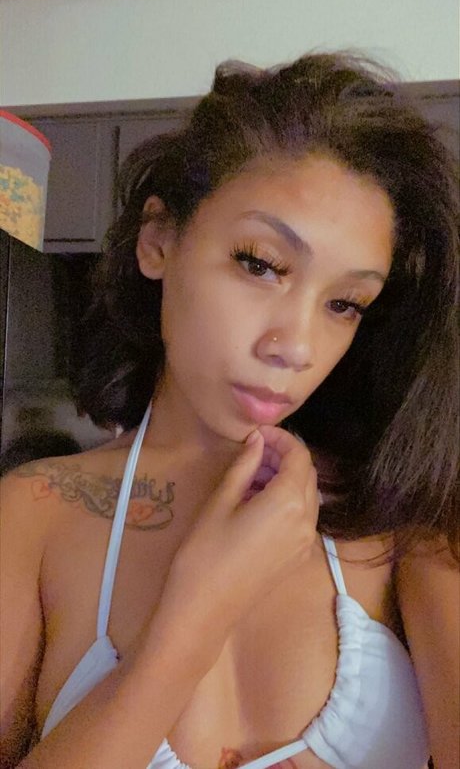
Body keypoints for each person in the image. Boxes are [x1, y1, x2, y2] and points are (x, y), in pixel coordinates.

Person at [0, 51, 458, 769]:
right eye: (260, 264)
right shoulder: (34, 514)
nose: (296, 346)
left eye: (344, 303)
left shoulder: (401, 515)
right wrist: (199, 609)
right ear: (159, 241)